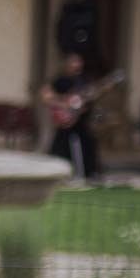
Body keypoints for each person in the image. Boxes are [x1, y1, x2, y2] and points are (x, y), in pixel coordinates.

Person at [40, 52, 101, 181]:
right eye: (74, 62)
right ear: (67, 64)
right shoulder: (59, 81)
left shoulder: (83, 81)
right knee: (61, 144)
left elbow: (85, 99)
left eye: (78, 62)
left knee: (87, 142)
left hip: (79, 119)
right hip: (65, 118)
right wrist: (63, 104)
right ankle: (54, 170)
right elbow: (46, 97)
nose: (77, 65)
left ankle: (90, 172)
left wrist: (85, 102)